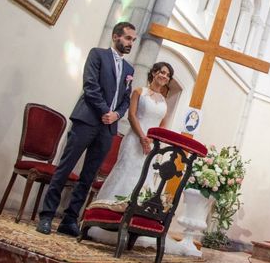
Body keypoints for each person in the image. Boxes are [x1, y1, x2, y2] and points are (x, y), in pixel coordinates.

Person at [36, 22, 137, 236]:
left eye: (133, 40)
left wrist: (117, 115)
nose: (131, 43)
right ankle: (46, 215)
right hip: (88, 119)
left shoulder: (129, 70)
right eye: (128, 38)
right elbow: (90, 85)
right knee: (66, 166)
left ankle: (70, 220)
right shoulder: (98, 55)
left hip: (107, 128)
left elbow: (126, 99)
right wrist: (104, 111)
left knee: (89, 175)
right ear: (116, 36)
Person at [88, 62, 180, 249]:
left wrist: (155, 143)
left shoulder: (164, 101)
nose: (164, 76)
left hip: (152, 146)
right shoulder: (139, 91)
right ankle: (107, 221)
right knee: (126, 174)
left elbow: (163, 124)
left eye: (167, 75)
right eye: (161, 72)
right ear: (154, 73)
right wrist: (142, 138)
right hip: (135, 140)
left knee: (143, 179)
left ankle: (133, 226)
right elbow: (131, 116)